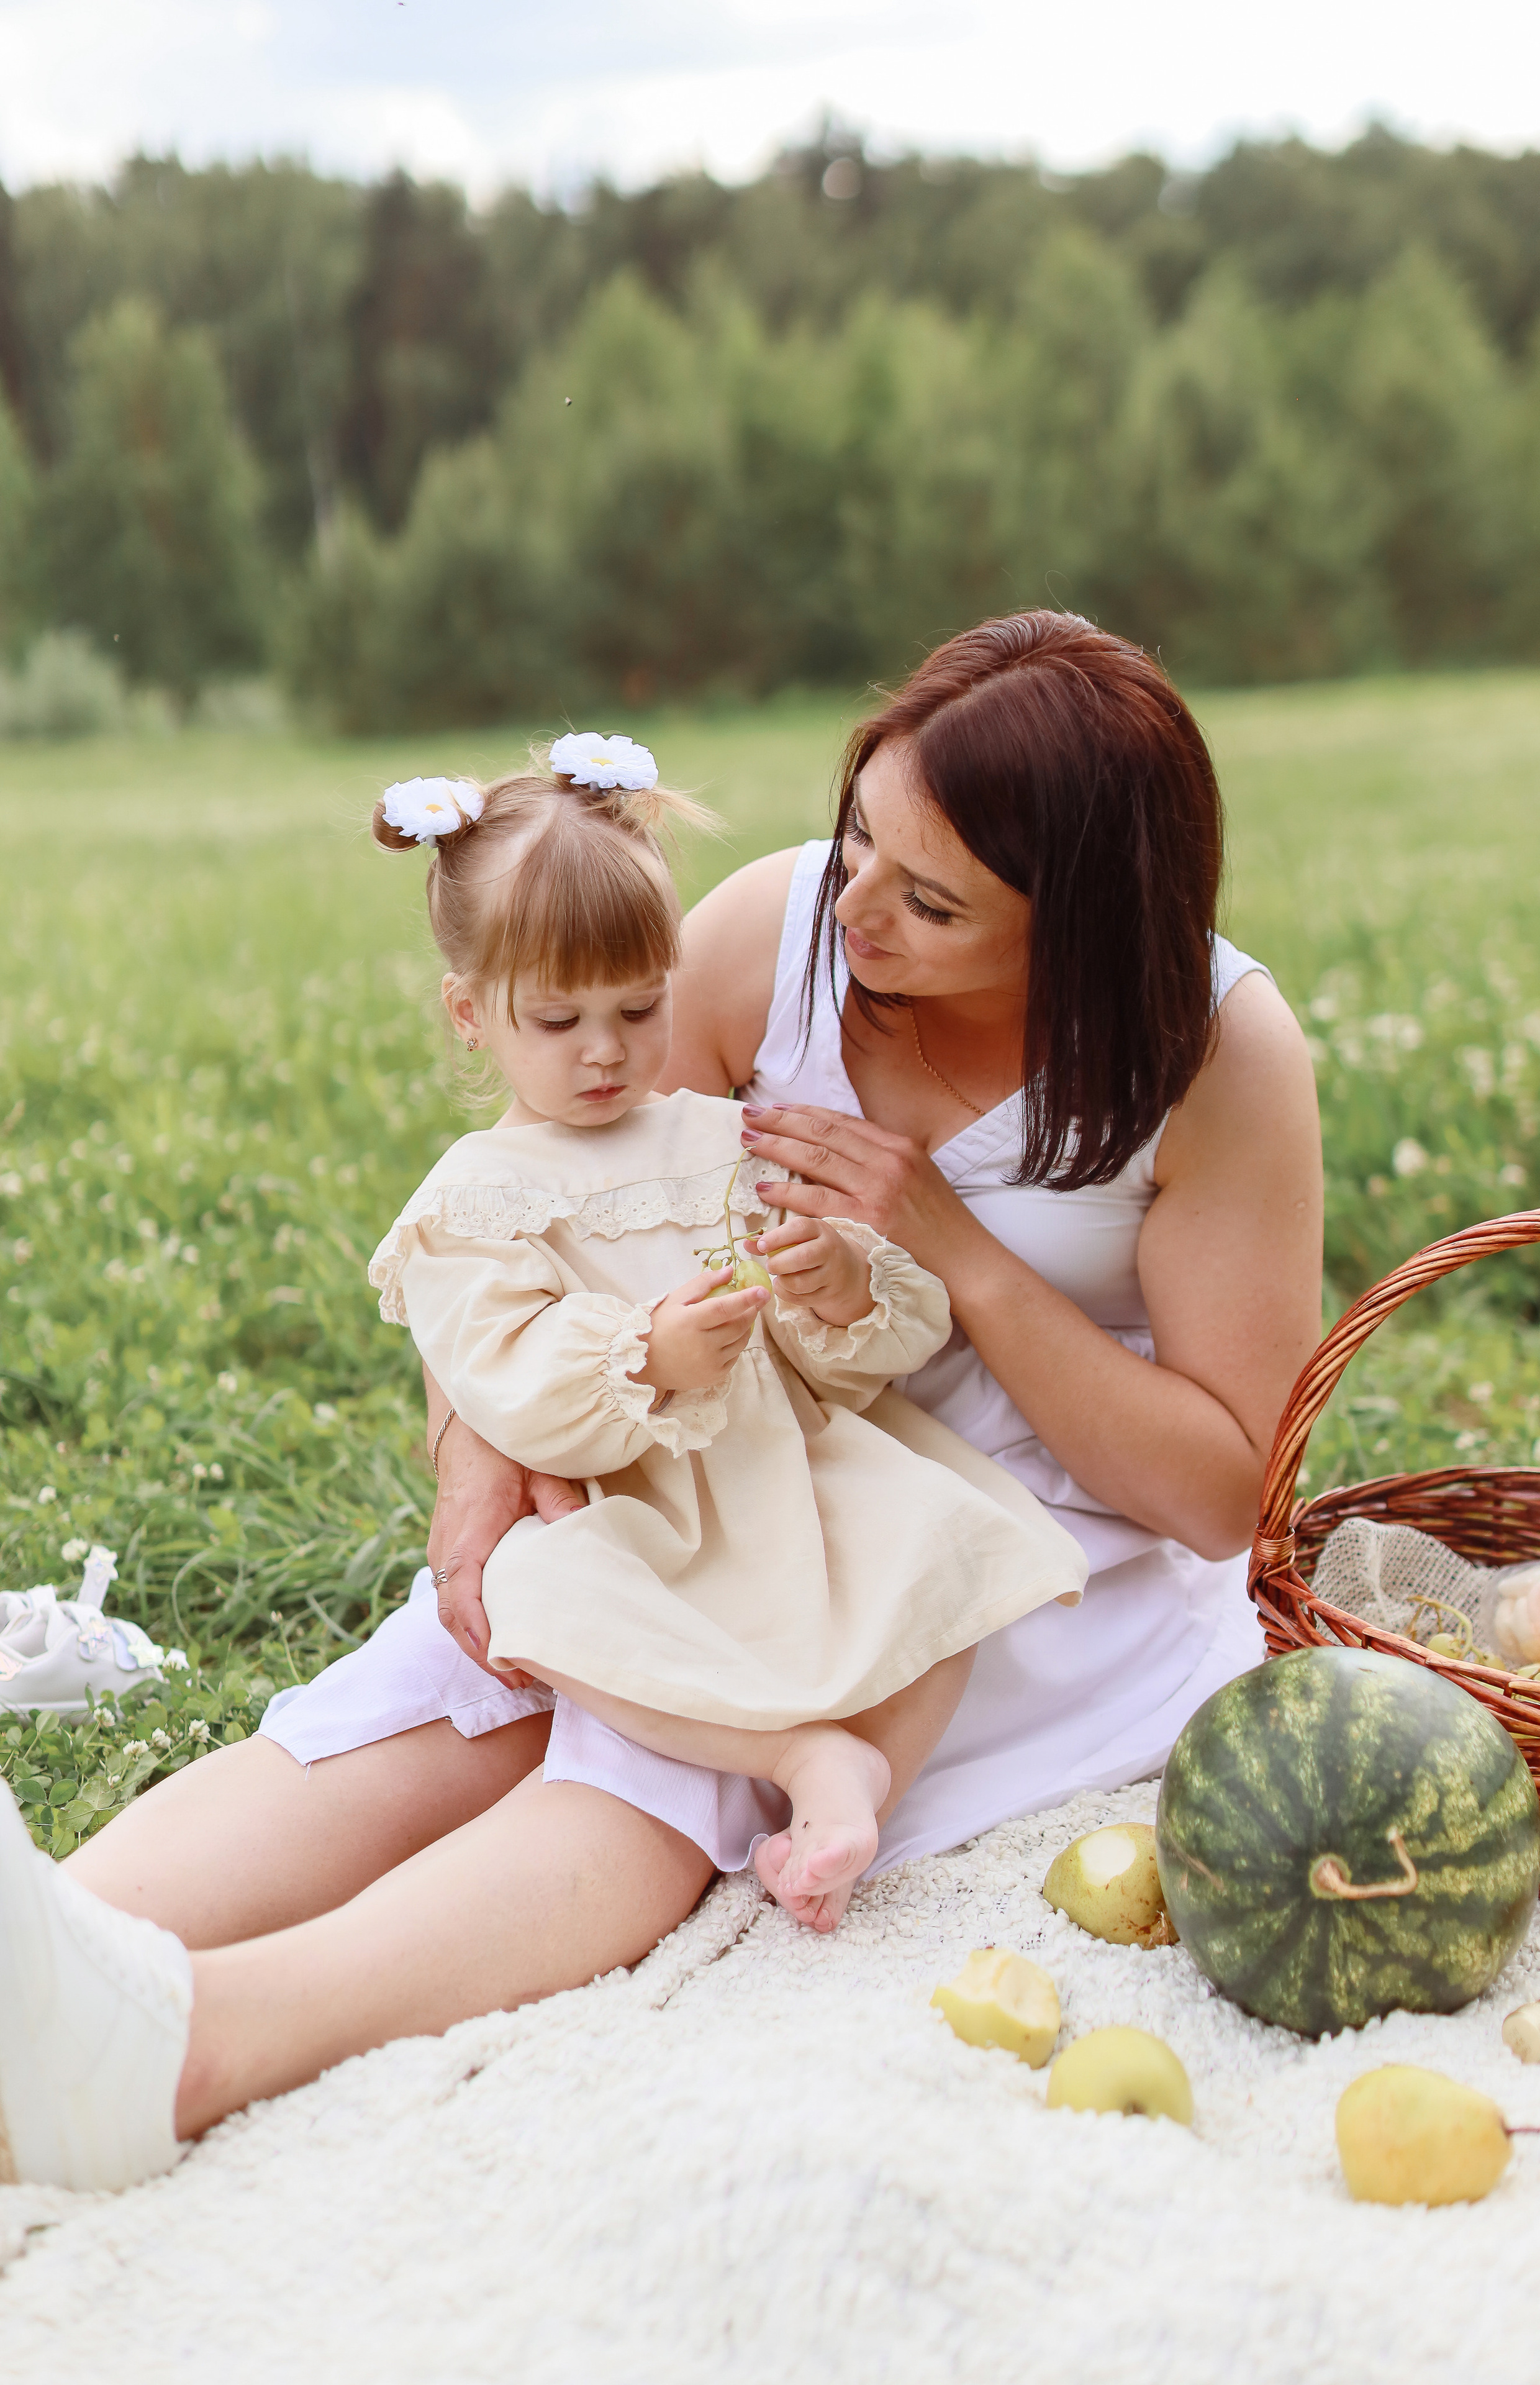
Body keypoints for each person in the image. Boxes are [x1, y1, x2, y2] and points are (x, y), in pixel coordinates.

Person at [0, 611, 1321, 2192]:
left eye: (929, 898)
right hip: (714, 1430)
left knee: (672, 1755)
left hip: (1004, 1541)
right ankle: (47, 1956)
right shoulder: (782, 933)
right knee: (462, 1673)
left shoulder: (1214, 1057)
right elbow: (536, 1199)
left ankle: (195, 2047)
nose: (858, 912)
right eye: (856, 841)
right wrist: (476, 1459)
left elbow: (1222, 1491)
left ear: (1087, 925)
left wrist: (948, 1250)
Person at [338, 742, 1082, 1930]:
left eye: (640, 1009)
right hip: (628, 1506)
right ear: (471, 1014)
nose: (605, 1050)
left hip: (777, 1470)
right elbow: (504, 1379)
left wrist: (835, 1286)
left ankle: (862, 1767)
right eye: (559, 1018)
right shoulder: (470, 1200)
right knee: (541, 1602)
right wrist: (644, 1356)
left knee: (942, 1542)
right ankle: (802, 1757)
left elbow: (858, 1343)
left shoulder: (724, 1137)